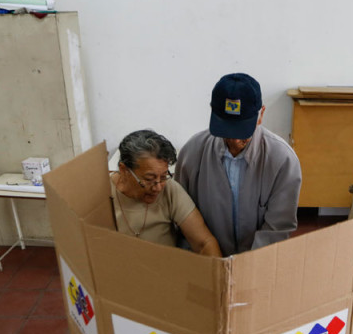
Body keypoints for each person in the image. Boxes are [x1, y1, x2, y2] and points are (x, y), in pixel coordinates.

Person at [175, 73, 301, 256]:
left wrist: (246, 269)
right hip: (205, 261)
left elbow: (277, 229)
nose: (234, 141)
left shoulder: (282, 161)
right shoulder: (192, 154)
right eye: (226, 130)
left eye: (242, 131)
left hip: (257, 263)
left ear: (261, 114)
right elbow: (183, 218)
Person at [111, 129, 221, 257]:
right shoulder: (102, 194)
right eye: (149, 179)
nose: (158, 187)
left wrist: (217, 274)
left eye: (163, 176)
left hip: (166, 271)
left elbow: (204, 243)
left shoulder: (169, 190)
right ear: (123, 170)